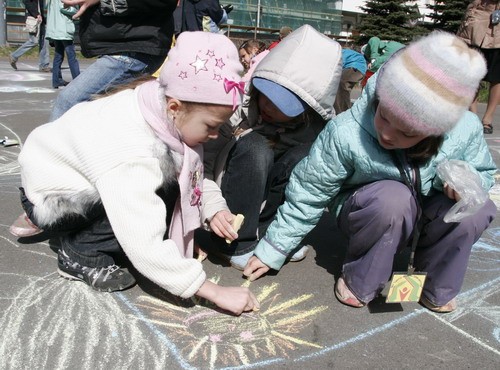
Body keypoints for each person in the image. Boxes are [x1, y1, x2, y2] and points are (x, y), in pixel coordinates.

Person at [243, 31, 497, 314]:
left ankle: (436, 284)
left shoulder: (464, 129)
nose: (387, 134)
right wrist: (274, 249)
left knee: (476, 208)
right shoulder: (347, 132)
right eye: (384, 116)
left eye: (406, 132)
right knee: (392, 199)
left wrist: (465, 182)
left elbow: (483, 173)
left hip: (429, 214)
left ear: (436, 131)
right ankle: (361, 277)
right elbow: (309, 193)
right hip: (371, 212)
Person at [9, 31, 259, 316]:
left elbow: (192, 174)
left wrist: (213, 210)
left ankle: (83, 236)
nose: (215, 136)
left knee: (164, 191)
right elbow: (141, 238)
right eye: (211, 126)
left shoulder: (157, 103)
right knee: (146, 207)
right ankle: (80, 253)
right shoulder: (136, 152)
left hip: (70, 176)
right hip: (56, 199)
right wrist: (213, 291)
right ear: (175, 108)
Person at [197, 25, 343, 270]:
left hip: (271, 208)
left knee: (306, 156)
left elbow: (312, 194)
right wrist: (213, 210)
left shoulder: (319, 130)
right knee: (256, 145)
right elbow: (200, 168)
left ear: (308, 110)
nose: (268, 105)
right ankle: (235, 244)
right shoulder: (234, 109)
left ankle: (268, 234)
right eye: (265, 94)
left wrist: (280, 243)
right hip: (229, 199)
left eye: (283, 104)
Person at [49, 0, 177, 121]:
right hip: (123, 45)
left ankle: (48, 144)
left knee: (68, 102)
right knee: (106, 115)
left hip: (135, 48)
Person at [457, 0, 500, 134]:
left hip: (498, 35)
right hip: (477, 24)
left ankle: (487, 119)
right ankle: (473, 116)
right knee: (472, 74)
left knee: (497, 78)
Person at [45, 0, 80, 89]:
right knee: (71, 56)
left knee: (58, 56)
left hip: (55, 29)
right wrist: (78, 11)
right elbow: (65, 8)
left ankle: (56, 81)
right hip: (64, 29)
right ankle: (78, 80)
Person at [9, 0, 51, 72]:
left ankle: (44, 65)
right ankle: (14, 56)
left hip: (40, 19)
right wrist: (36, 14)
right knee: (33, 41)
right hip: (33, 19)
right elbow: (27, 2)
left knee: (44, 40)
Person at [334, 48, 367, 114]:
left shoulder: (339, 53)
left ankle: (343, 112)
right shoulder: (342, 52)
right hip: (357, 68)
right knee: (338, 86)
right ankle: (339, 109)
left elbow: (338, 64)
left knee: (341, 83)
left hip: (355, 67)